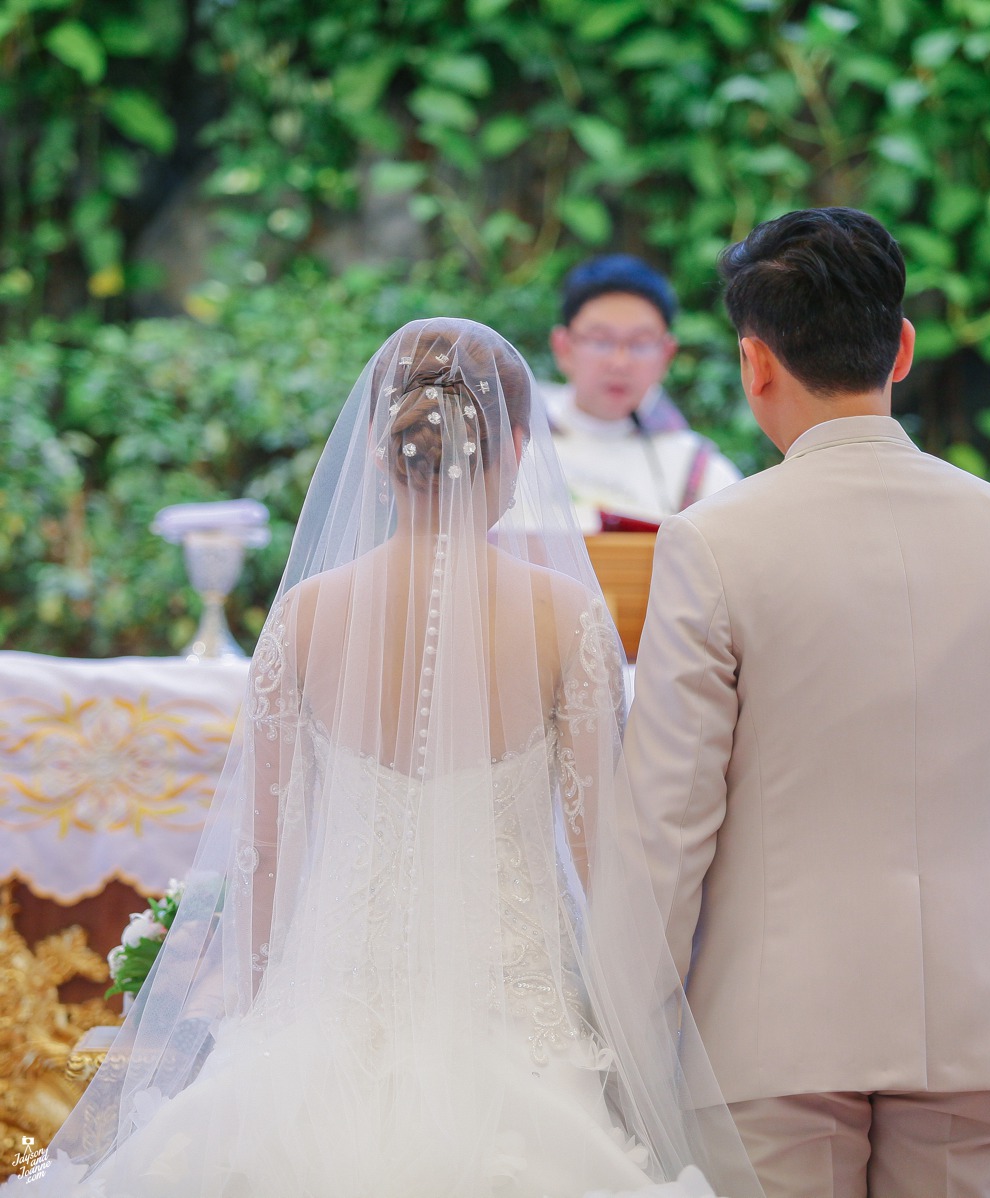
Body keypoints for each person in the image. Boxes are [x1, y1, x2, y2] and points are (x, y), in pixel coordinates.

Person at [15, 319, 761, 1198]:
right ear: (518, 448)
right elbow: (608, 862)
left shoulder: (304, 619)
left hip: (327, 1008)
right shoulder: (567, 621)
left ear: (377, 453)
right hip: (516, 1017)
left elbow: (265, 864)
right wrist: (640, 1033)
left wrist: (253, 1025)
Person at [622, 209, 990, 1198]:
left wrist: (629, 1047)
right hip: (980, 1030)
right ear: (903, 346)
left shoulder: (715, 543)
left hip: (769, 1033)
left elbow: (665, 826)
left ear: (755, 363)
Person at [542, 254, 741, 532]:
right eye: (601, 341)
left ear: (667, 355)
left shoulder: (698, 469)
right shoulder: (514, 443)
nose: (620, 362)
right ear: (563, 347)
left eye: (640, 343)